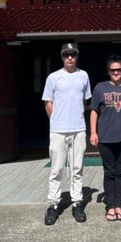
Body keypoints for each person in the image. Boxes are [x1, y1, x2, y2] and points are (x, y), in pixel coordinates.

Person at [42, 42, 91, 225]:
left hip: (78, 128)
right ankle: (53, 205)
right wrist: (55, 120)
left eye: (73, 54)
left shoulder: (83, 75)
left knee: (77, 168)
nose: (70, 57)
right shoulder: (53, 77)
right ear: (62, 57)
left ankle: (77, 202)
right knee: (56, 169)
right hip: (58, 130)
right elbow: (48, 102)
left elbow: (85, 100)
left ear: (77, 56)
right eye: (66, 54)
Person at [90, 56, 121, 221]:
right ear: (108, 72)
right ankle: (110, 206)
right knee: (109, 171)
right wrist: (93, 132)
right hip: (106, 137)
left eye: (118, 70)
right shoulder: (100, 88)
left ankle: (119, 205)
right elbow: (94, 110)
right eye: (112, 70)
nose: (115, 72)